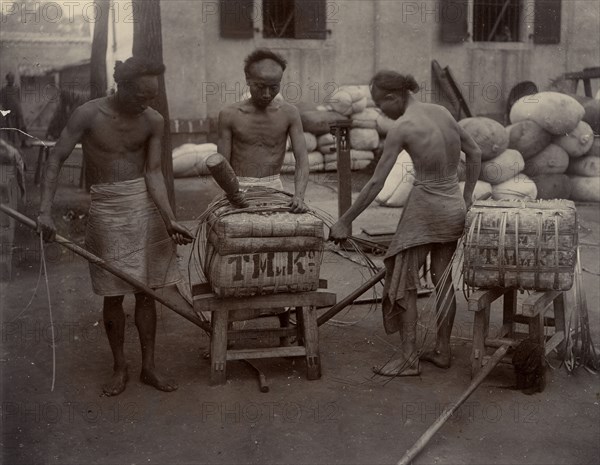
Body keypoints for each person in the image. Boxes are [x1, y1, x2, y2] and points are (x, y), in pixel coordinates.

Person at [37, 57, 194, 396]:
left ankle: (149, 366)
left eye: (151, 96)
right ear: (120, 85)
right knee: (112, 293)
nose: (146, 102)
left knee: (147, 291)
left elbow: (153, 173)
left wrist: (169, 219)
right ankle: (120, 366)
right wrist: (45, 212)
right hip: (106, 208)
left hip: (145, 207)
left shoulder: (153, 120)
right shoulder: (88, 114)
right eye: (140, 95)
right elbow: (55, 159)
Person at [329, 70, 482, 376]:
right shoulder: (442, 112)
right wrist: (466, 197)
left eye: (379, 104)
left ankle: (409, 358)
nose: (380, 111)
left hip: (425, 208)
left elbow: (375, 184)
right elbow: (475, 152)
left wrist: (345, 221)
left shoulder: (402, 127)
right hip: (452, 203)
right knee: (442, 281)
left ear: (393, 97)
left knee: (404, 282)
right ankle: (443, 350)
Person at [206, 48, 309, 213]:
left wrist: (299, 196)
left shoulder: (290, 113)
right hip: (237, 188)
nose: (267, 94)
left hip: (274, 187)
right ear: (247, 79)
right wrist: (232, 193)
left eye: (274, 87)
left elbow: (302, 159)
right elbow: (222, 164)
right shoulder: (229, 114)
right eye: (260, 87)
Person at [0, 72, 28, 147]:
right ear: (7, 79)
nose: (11, 80)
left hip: (18, 111)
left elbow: (18, 99)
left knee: (21, 127)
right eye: (10, 78)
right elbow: (2, 101)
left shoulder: (16, 88)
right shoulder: (4, 89)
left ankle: (23, 143)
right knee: (11, 128)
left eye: (13, 78)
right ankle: (11, 144)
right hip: (9, 111)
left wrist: (19, 108)